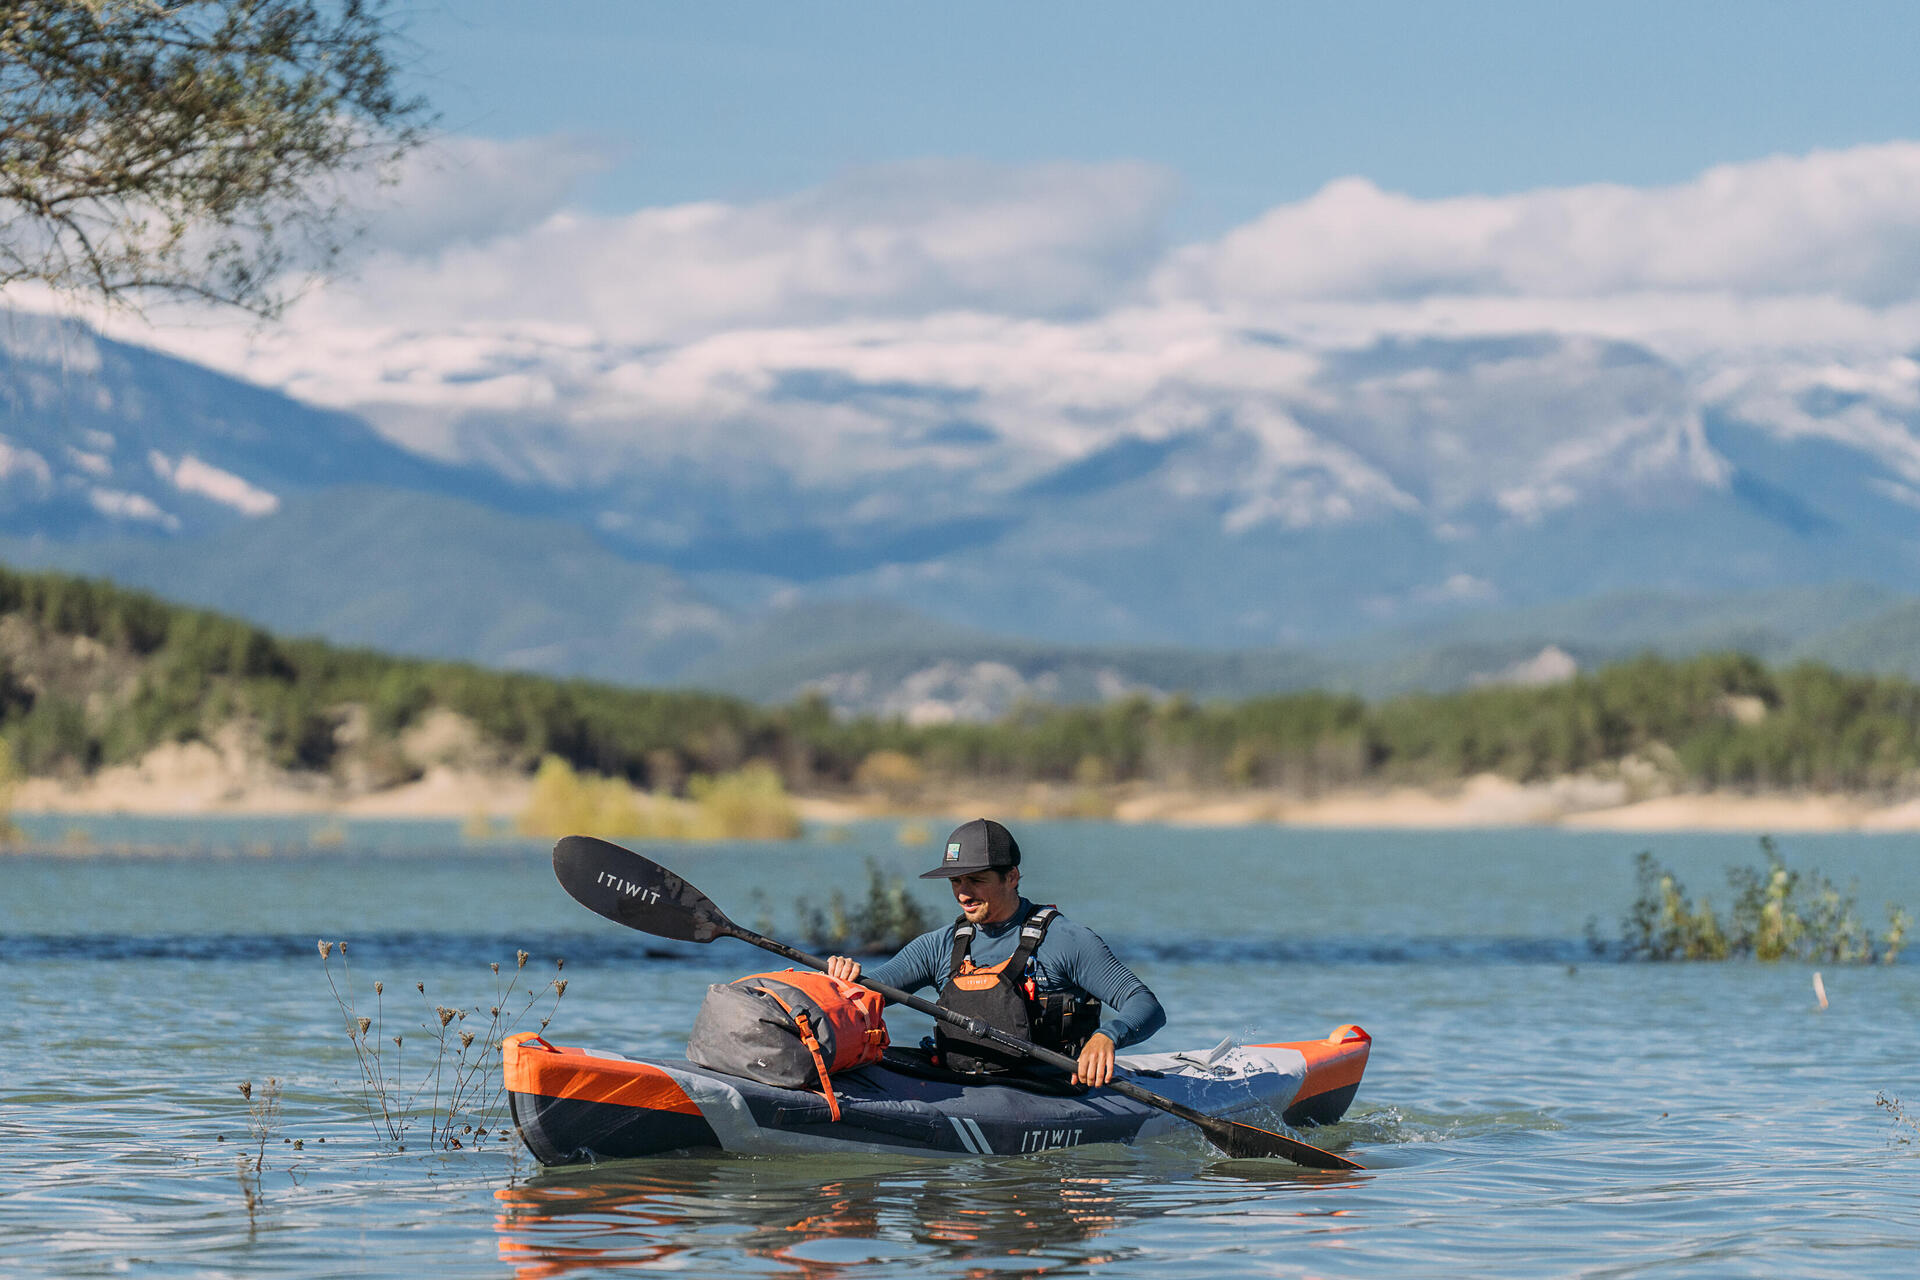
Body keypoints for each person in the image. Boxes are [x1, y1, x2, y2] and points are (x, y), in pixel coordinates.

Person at [827, 818, 1164, 1088]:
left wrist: (1108, 1036)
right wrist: (840, 982)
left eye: (976, 880)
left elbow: (1145, 1005)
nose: (963, 893)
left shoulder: (1067, 941)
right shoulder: (939, 945)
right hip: (961, 1086)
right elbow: (865, 994)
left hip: (1050, 1091)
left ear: (1012, 876)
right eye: (956, 881)